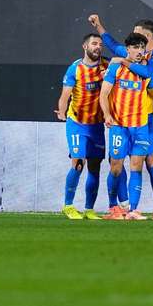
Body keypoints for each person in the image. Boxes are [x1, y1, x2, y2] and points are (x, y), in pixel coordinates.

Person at [89, 14, 153, 220]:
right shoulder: (125, 55)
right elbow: (112, 44)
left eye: (138, 33)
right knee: (117, 163)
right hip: (120, 118)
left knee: (148, 161)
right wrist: (99, 25)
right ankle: (120, 206)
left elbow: (148, 73)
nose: (135, 42)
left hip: (147, 117)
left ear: (146, 37)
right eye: (134, 44)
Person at [54, 34, 108, 220]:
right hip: (77, 123)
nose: (98, 47)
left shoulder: (107, 66)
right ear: (85, 46)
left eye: (100, 44)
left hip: (97, 125)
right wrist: (61, 112)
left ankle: (89, 209)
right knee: (78, 163)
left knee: (95, 167)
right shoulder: (75, 69)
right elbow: (65, 95)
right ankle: (68, 206)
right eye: (94, 43)